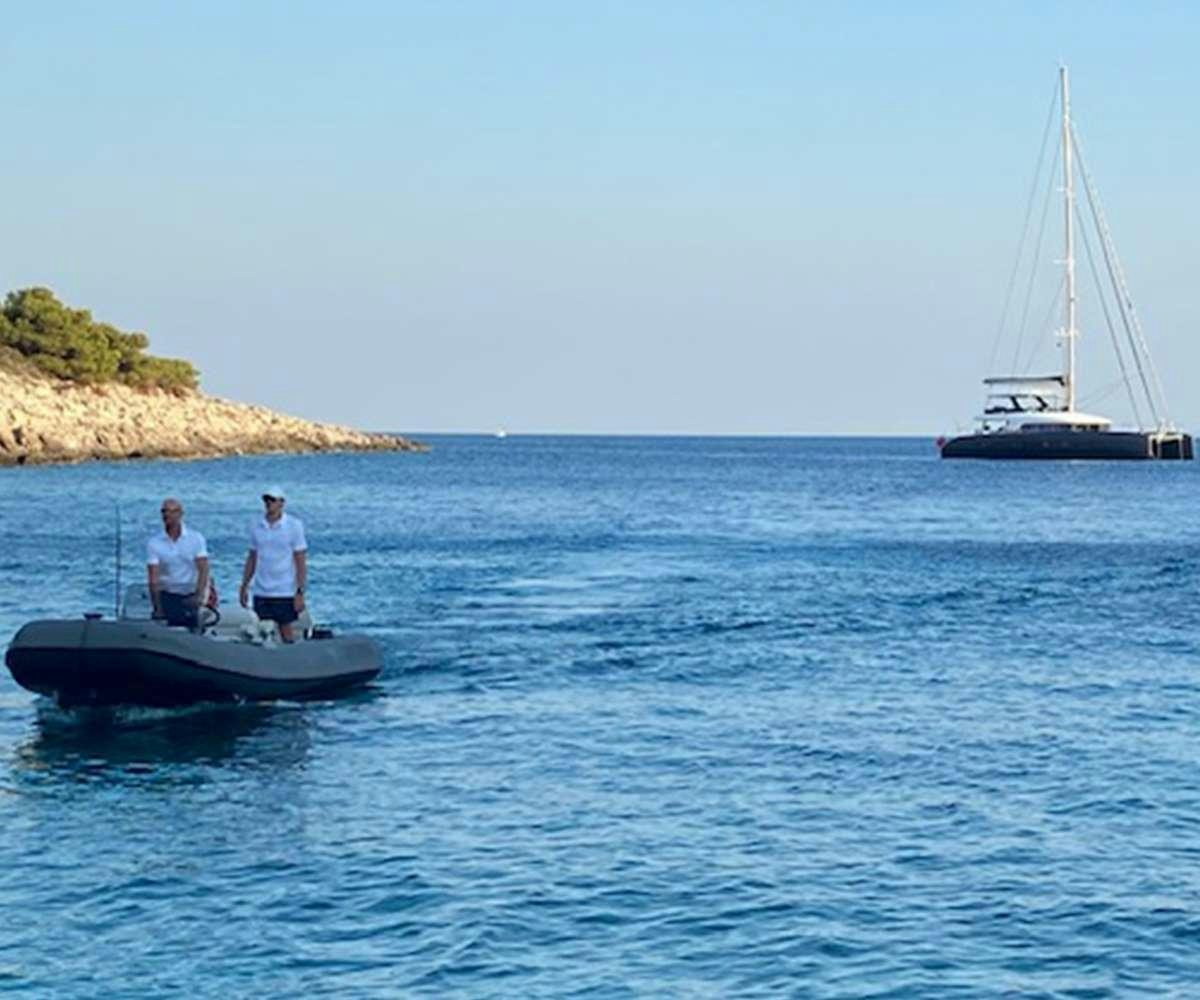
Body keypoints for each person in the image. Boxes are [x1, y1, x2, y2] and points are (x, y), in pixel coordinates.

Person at [239, 486, 307, 642]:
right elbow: (252, 557)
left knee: (285, 628)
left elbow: (300, 560)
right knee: (262, 629)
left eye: (272, 500)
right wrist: (244, 585)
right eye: (266, 500)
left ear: (281, 503)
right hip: (262, 589)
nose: (269, 504)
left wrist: (300, 592)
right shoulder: (257, 526)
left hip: (284, 589)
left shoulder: (293, 526)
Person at [147, 497, 211, 629]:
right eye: (164, 511)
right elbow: (153, 578)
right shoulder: (155, 543)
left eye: (172, 511)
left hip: (190, 594)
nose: (167, 515)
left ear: (180, 514)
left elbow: (203, 569)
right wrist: (157, 607)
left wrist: (199, 595)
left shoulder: (195, 538)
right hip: (168, 595)